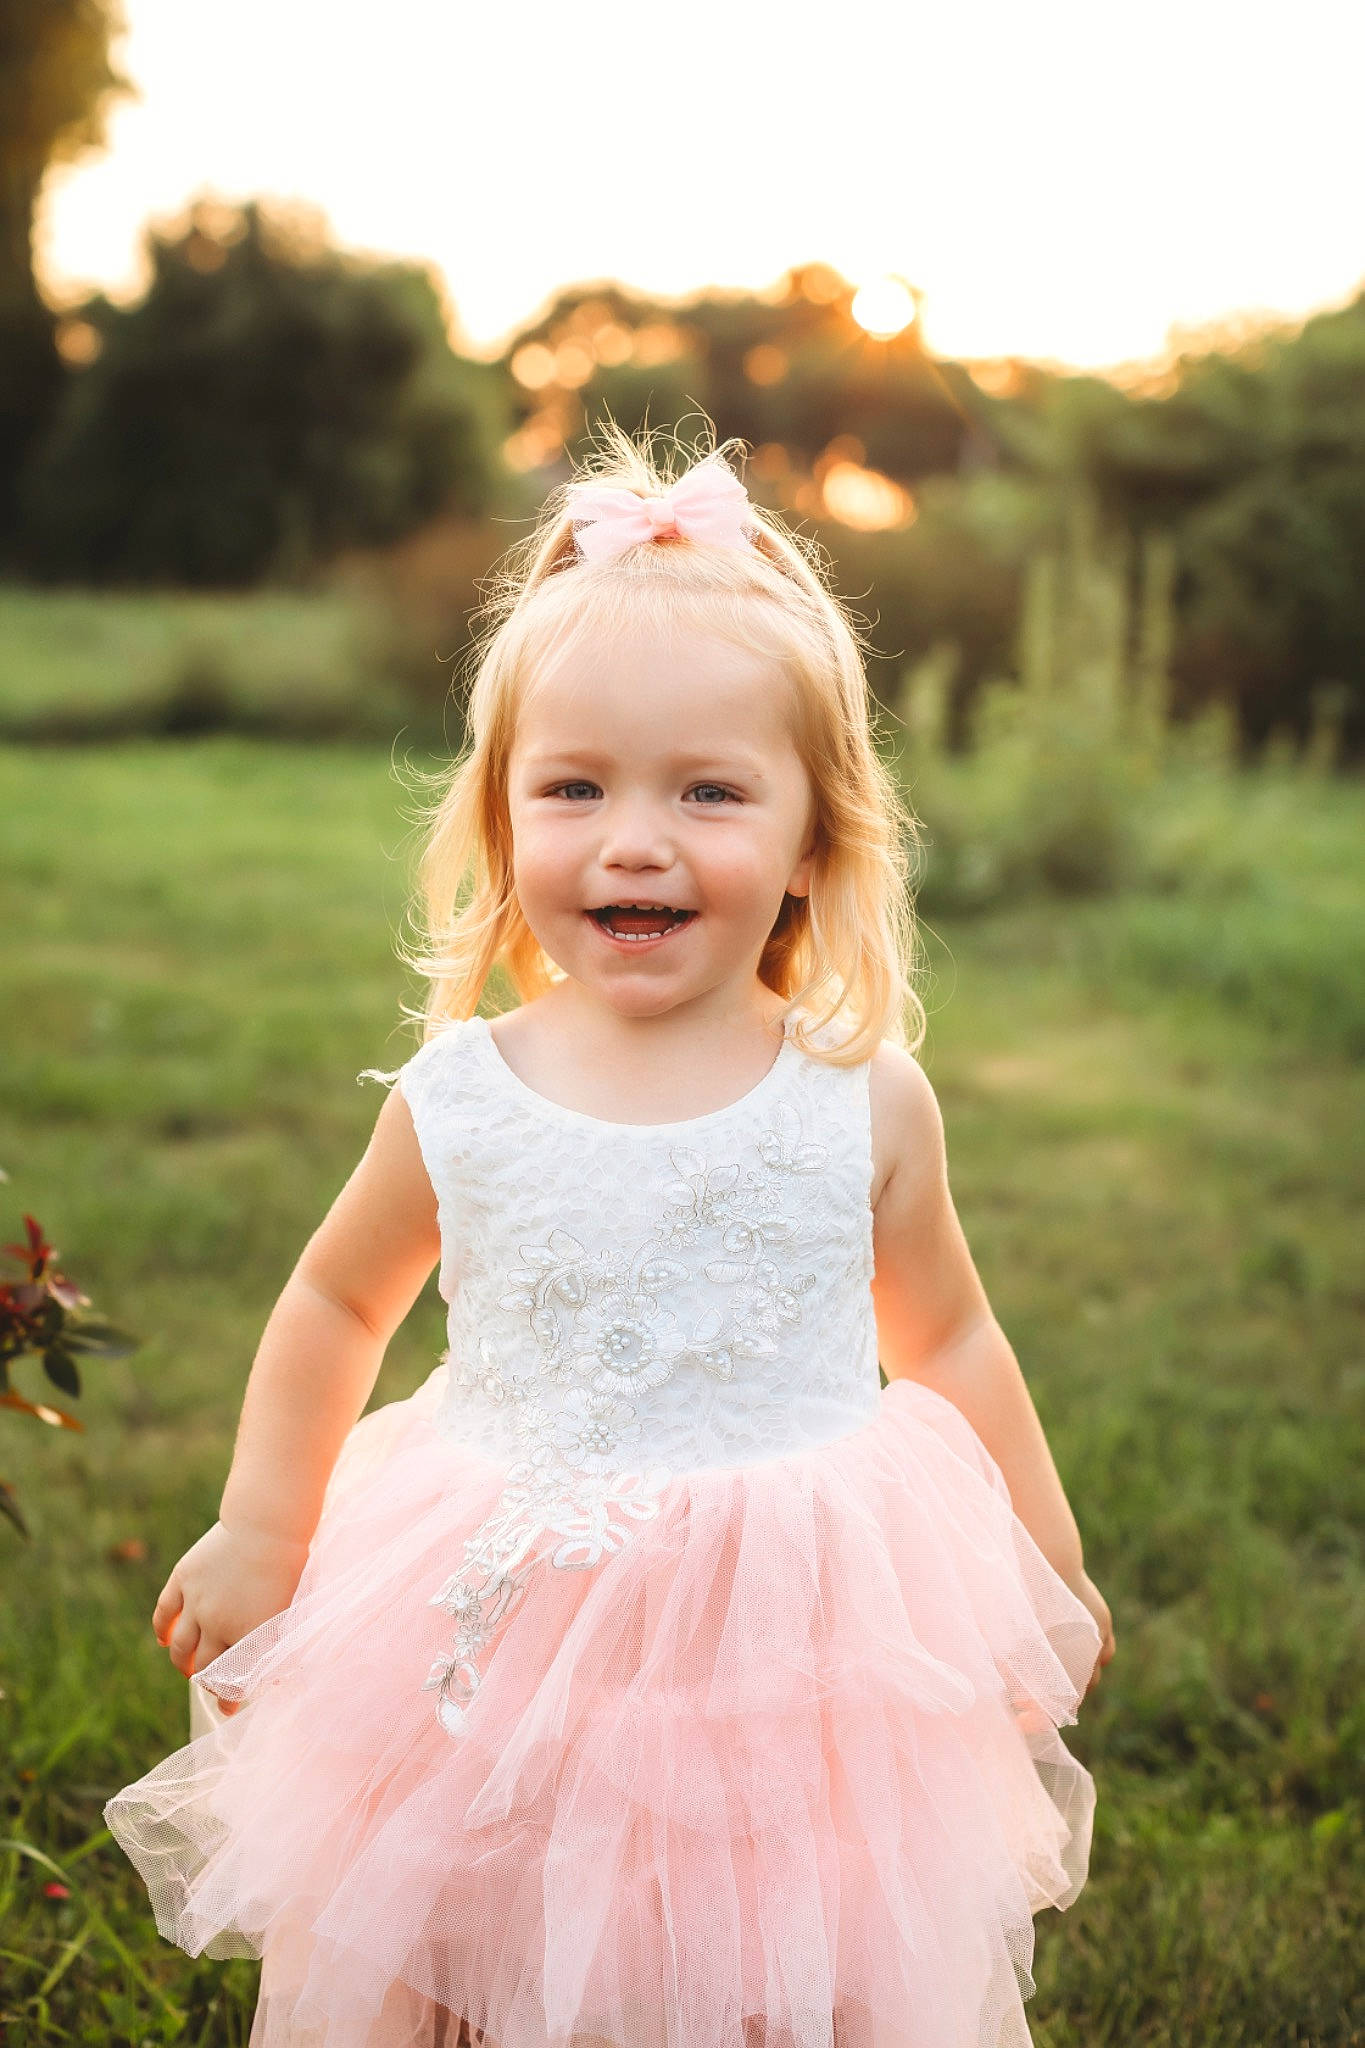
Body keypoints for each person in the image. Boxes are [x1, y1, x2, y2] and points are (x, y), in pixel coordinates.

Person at [104, 424, 1115, 2048]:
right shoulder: (464, 1096)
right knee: (467, 1918)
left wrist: (1038, 1568)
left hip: (789, 1624)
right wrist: (261, 1529)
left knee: (777, 1932)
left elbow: (949, 1342)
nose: (632, 839)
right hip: (494, 1610)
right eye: (573, 788)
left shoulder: (861, 1101)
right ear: (504, 826)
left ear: (811, 842)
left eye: (708, 792)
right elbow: (332, 1302)